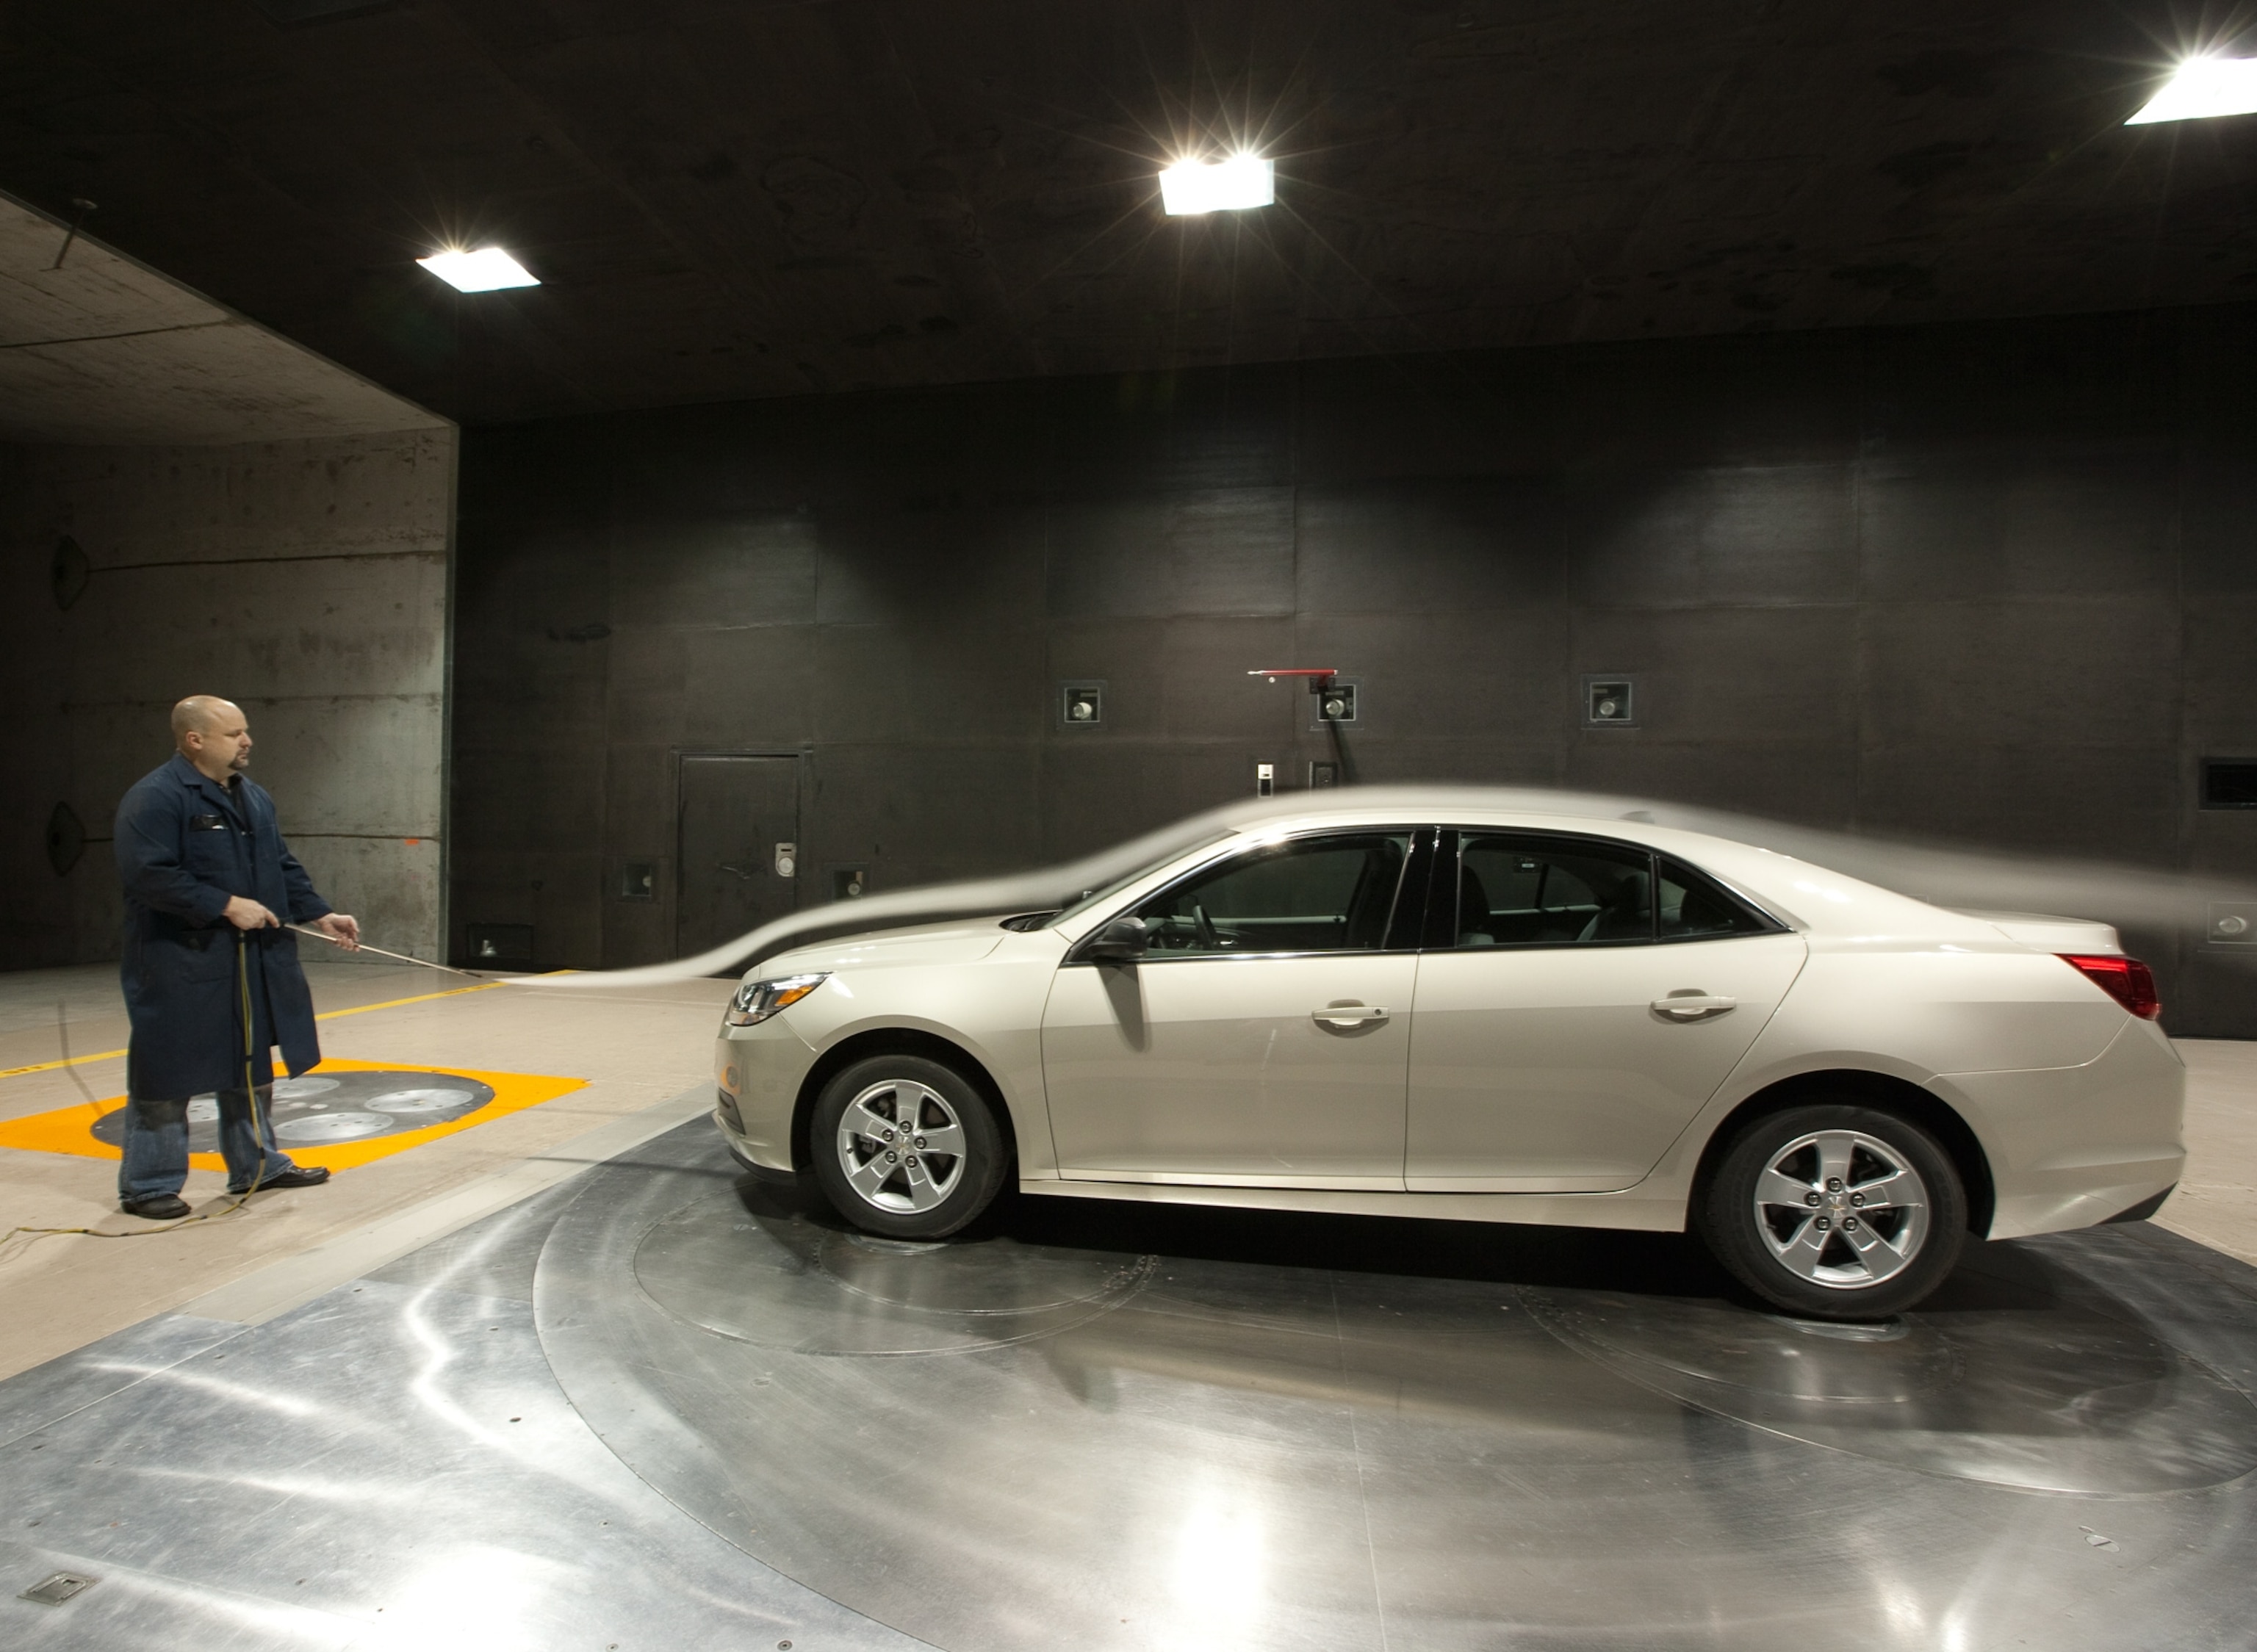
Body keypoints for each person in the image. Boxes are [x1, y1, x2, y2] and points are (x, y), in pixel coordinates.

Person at [112, 696, 361, 1219]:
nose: (247, 741)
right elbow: (149, 874)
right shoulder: (157, 797)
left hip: (249, 959)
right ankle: (148, 1182)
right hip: (180, 960)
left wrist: (319, 914)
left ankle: (258, 1165)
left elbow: (281, 864)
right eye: (233, 733)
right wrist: (223, 904)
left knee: (249, 1064)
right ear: (193, 739)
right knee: (167, 1068)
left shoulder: (254, 797)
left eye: (245, 731)